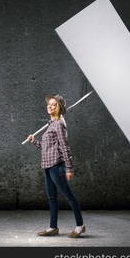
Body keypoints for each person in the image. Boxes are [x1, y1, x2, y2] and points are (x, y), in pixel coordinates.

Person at [27, 94, 86, 238]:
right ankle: (53, 227)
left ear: (59, 108)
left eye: (54, 104)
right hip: (47, 166)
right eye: (49, 104)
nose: (50, 106)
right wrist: (35, 142)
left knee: (69, 196)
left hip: (57, 166)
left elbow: (65, 147)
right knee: (51, 198)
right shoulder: (51, 124)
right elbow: (47, 147)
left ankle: (80, 225)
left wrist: (69, 168)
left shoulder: (59, 124)